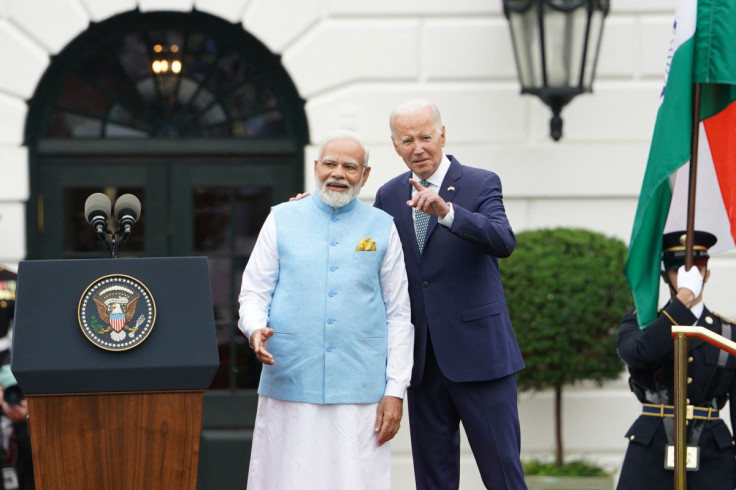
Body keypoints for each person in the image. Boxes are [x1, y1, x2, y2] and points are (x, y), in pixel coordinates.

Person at [237, 130, 414, 490]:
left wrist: (395, 389)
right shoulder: (281, 218)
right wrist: (255, 329)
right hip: (290, 377)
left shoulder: (382, 227)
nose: (338, 173)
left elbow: (399, 313)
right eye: (330, 163)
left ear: (364, 176)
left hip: (360, 387)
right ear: (316, 167)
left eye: (350, 166)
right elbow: (254, 291)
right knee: (286, 478)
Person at [374, 99, 527, 489]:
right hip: (423, 364)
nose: (418, 147)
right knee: (433, 479)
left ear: (443, 135)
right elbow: (371, 260)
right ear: (394, 146)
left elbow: (503, 240)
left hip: (480, 358)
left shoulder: (480, 182)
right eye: (407, 140)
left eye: (425, 136)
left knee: (502, 473)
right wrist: (312, 213)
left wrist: (448, 213)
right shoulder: (388, 196)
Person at [617, 230, 736, 489]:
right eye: (677, 269)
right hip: (651, 452)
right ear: (665, 275)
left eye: (698, 268)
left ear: (707, 273)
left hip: (712, 456)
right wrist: (682, 299)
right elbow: (640, 354)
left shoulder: (729, 333)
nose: (688, 276)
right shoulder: (640, 324)